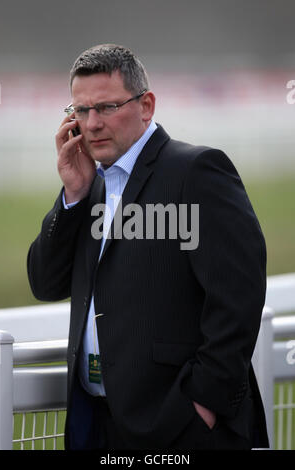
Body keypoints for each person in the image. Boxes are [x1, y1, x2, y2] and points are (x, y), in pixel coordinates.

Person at [27, 44, 269, 450]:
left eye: (106, 107)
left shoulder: (197, 171)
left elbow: (238, 297)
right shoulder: (90, 183)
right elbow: (45, 284)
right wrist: (73, 194)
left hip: (180, 426)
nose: (92, 123)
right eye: (80, 110)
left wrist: (202, 406)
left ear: (146, 106)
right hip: (97, 422)